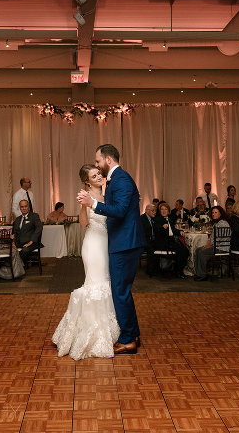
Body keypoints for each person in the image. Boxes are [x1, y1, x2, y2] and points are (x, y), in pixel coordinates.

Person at [77, 143, 145, 355]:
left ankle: (127, 339)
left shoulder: (122, 179)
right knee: (122, 291)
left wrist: (93, 204)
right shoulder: (116, 180)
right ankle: (132, 333)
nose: (96, 165)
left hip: (124, 243)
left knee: (120, 291)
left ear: (107, 160)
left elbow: (121, 210)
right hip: (120, 241)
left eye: (98, 161)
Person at [53, 164, 121, 360]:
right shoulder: (85, 195)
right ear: (86, 181)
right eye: (94, 175)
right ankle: (92, 332)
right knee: (95, 284)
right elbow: (83, 224)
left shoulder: (109, 192)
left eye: (99, 173)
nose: (99, 177)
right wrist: (85, 205)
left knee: (107, 282)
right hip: (93, 244)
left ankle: (110, 329)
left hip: (109, 243)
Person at [194, 206, 230, 281]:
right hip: (216, 246)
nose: (213, 214)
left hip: (221, 248)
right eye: (213, 213)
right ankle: (199, 273)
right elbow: (212, 237)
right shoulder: (217, 223)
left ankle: (203, 275)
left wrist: (210, 245)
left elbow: (219, 238)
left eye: (216, 212)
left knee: (202, 252)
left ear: (220, 214)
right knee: (198, 250)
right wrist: (208, 244)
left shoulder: (223, 223)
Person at [154, 201, 189, 279]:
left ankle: (178, 270)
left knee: (185, 251)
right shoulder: (157, 219)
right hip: (163, 243)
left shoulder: (169, 219)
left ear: (168, 211)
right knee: (182, 251)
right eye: (162, 209)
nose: (163, 211)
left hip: (171, 242)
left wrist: (180, 232)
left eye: (165, 209)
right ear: (160, 211)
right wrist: (162, 227)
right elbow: (156, 230)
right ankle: (179, 272)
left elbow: (172, 230)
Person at [12, 199, 43, 264]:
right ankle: (18, 267)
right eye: (22, 207)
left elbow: (39, 228)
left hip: (31, 243)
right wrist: (13, 242)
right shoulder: (17, 219)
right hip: (19, 243)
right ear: (20, 208)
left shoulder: (34, 216)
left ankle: (16, 268)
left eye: (25, 206)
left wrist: (31, 241)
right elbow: (14, 232)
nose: (24, 208)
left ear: (28, 207)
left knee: (24, 251)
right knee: (9, 250)